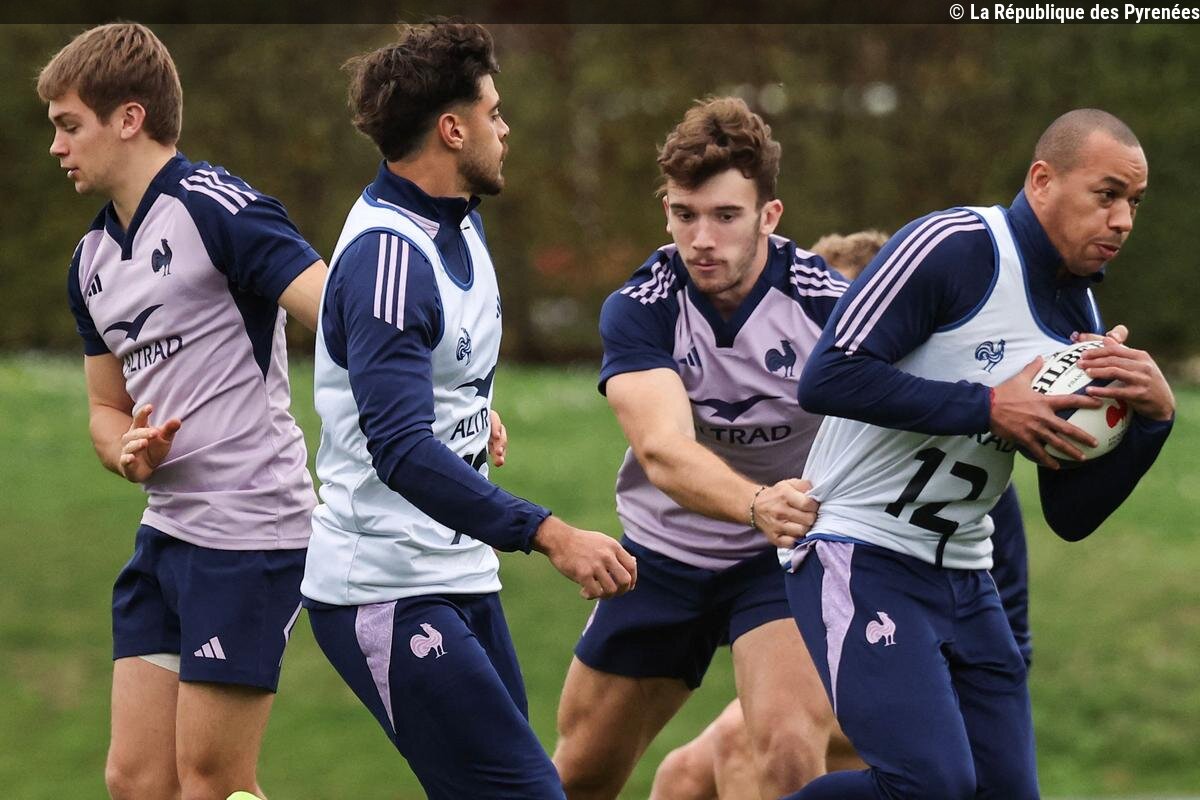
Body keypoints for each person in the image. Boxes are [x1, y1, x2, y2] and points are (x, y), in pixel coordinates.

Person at [781, 108, 1174, 799]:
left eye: (1134, 203)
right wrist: (989, 405)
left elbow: (1069, 514)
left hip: (966, 575)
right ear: (1043, 181)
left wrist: (1152, 422)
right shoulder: (957, 246)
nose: (1122, 221)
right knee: (929, 786)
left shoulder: (1080, 320)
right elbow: (828, 377)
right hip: (860, 550)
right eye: (1107, 195)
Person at [299, 21, 636, 800]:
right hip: (385, 586)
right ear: (452, 129)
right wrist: (550, 534)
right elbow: (398, 450)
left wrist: (472, 414)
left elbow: (434, 376)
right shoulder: (389, 259)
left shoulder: (460, 222)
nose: (504, 129)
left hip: (459, 572)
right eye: (494, 112)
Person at [39, 22, 327, 800]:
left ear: (129, 118)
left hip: (251, 535)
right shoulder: (90, 261)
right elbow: (105, 407)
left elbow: (344, 315)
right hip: (166, 536)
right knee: (136, 782)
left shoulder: (218, 209)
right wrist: (125, 451)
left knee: (211, 784)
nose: (57, 147)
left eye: (70, 125)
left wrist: (442, 401)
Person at [552, 97, 845, 800]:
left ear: (769, 216)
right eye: (685, 214)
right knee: (578, 777)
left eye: (725, 215)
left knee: (786, 755)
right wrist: (757, 503)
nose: (702, 239)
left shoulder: (828, 306)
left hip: (781, 558)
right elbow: (661, 451)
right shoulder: (642, 307)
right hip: (663, 555)